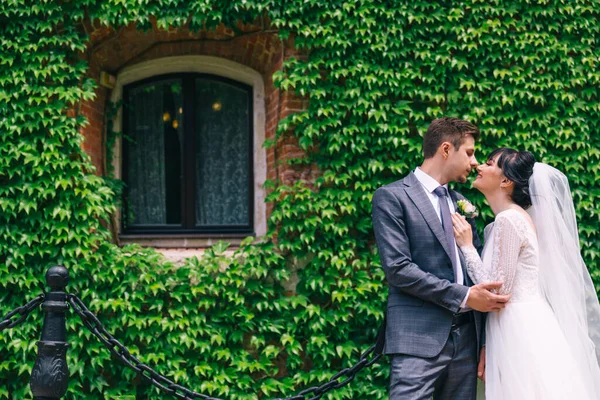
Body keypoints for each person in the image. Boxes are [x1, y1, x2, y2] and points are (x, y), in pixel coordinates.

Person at [371, 117, 510, 400]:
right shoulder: (392, 197)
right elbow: (398, 269)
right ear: (446, 149)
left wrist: (483, 342)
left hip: (467, 342)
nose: (474, 163)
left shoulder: (462, 202)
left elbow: (477, 271)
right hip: (417, 340)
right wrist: (464, 296)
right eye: (469, 153)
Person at [452, 148, 600, 399]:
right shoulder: (501, 223)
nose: (479, 167)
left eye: (489, 163)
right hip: (513, 323)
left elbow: (499, 290)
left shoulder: (509, 220)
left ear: (505, 180)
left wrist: (467, 247)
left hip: (519, 328)